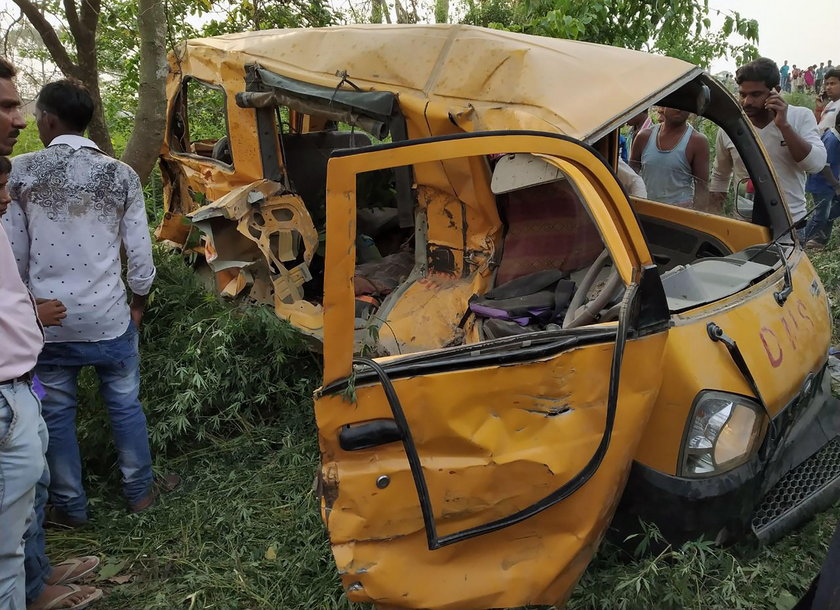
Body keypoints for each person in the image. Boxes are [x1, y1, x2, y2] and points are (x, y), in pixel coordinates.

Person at [6, 79, 179, 530]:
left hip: (49, 323)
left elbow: (15, 255)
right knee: (125, 405)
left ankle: (71, 506)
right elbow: (140, 255)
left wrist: (27, 314)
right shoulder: (120, 174)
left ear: (47, 119)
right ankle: (140, 493)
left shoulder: (21, 172)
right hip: (109, 319)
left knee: (56, 412)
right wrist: (137, 305)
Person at [709, 57, 826, 222]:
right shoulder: (731, 126)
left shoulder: (800, 116)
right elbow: (720, 176)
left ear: (776, 91)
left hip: (790, 224)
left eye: (755, 94)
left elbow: (815, 165)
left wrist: (784, 125)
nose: (747, 101)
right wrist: (714, 218)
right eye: (742, 94)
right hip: (745, 223)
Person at [629, 107, 709, 210]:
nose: (680, 109)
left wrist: (697, 220)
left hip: (679, 213)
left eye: (685, 104)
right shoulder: (644, 137)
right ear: (663, 107)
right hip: (646, 209)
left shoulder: (697, 141)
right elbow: (631, 177)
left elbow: (702, 188)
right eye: (675, 104)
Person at [801, 112, 840, 248]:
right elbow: (825, 166)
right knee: (820, 217)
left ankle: (819, 239)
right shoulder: (832, 140)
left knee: (829, 213)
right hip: (822, 185)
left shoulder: (835, 137)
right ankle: (800, 241)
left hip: (829, 184)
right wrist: (836, 185)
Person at [817, 67, 840, 133]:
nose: (828, 87)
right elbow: (817, 125)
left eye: (832, 84)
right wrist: (818, 109)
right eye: (827, 84)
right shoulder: (829, 104)